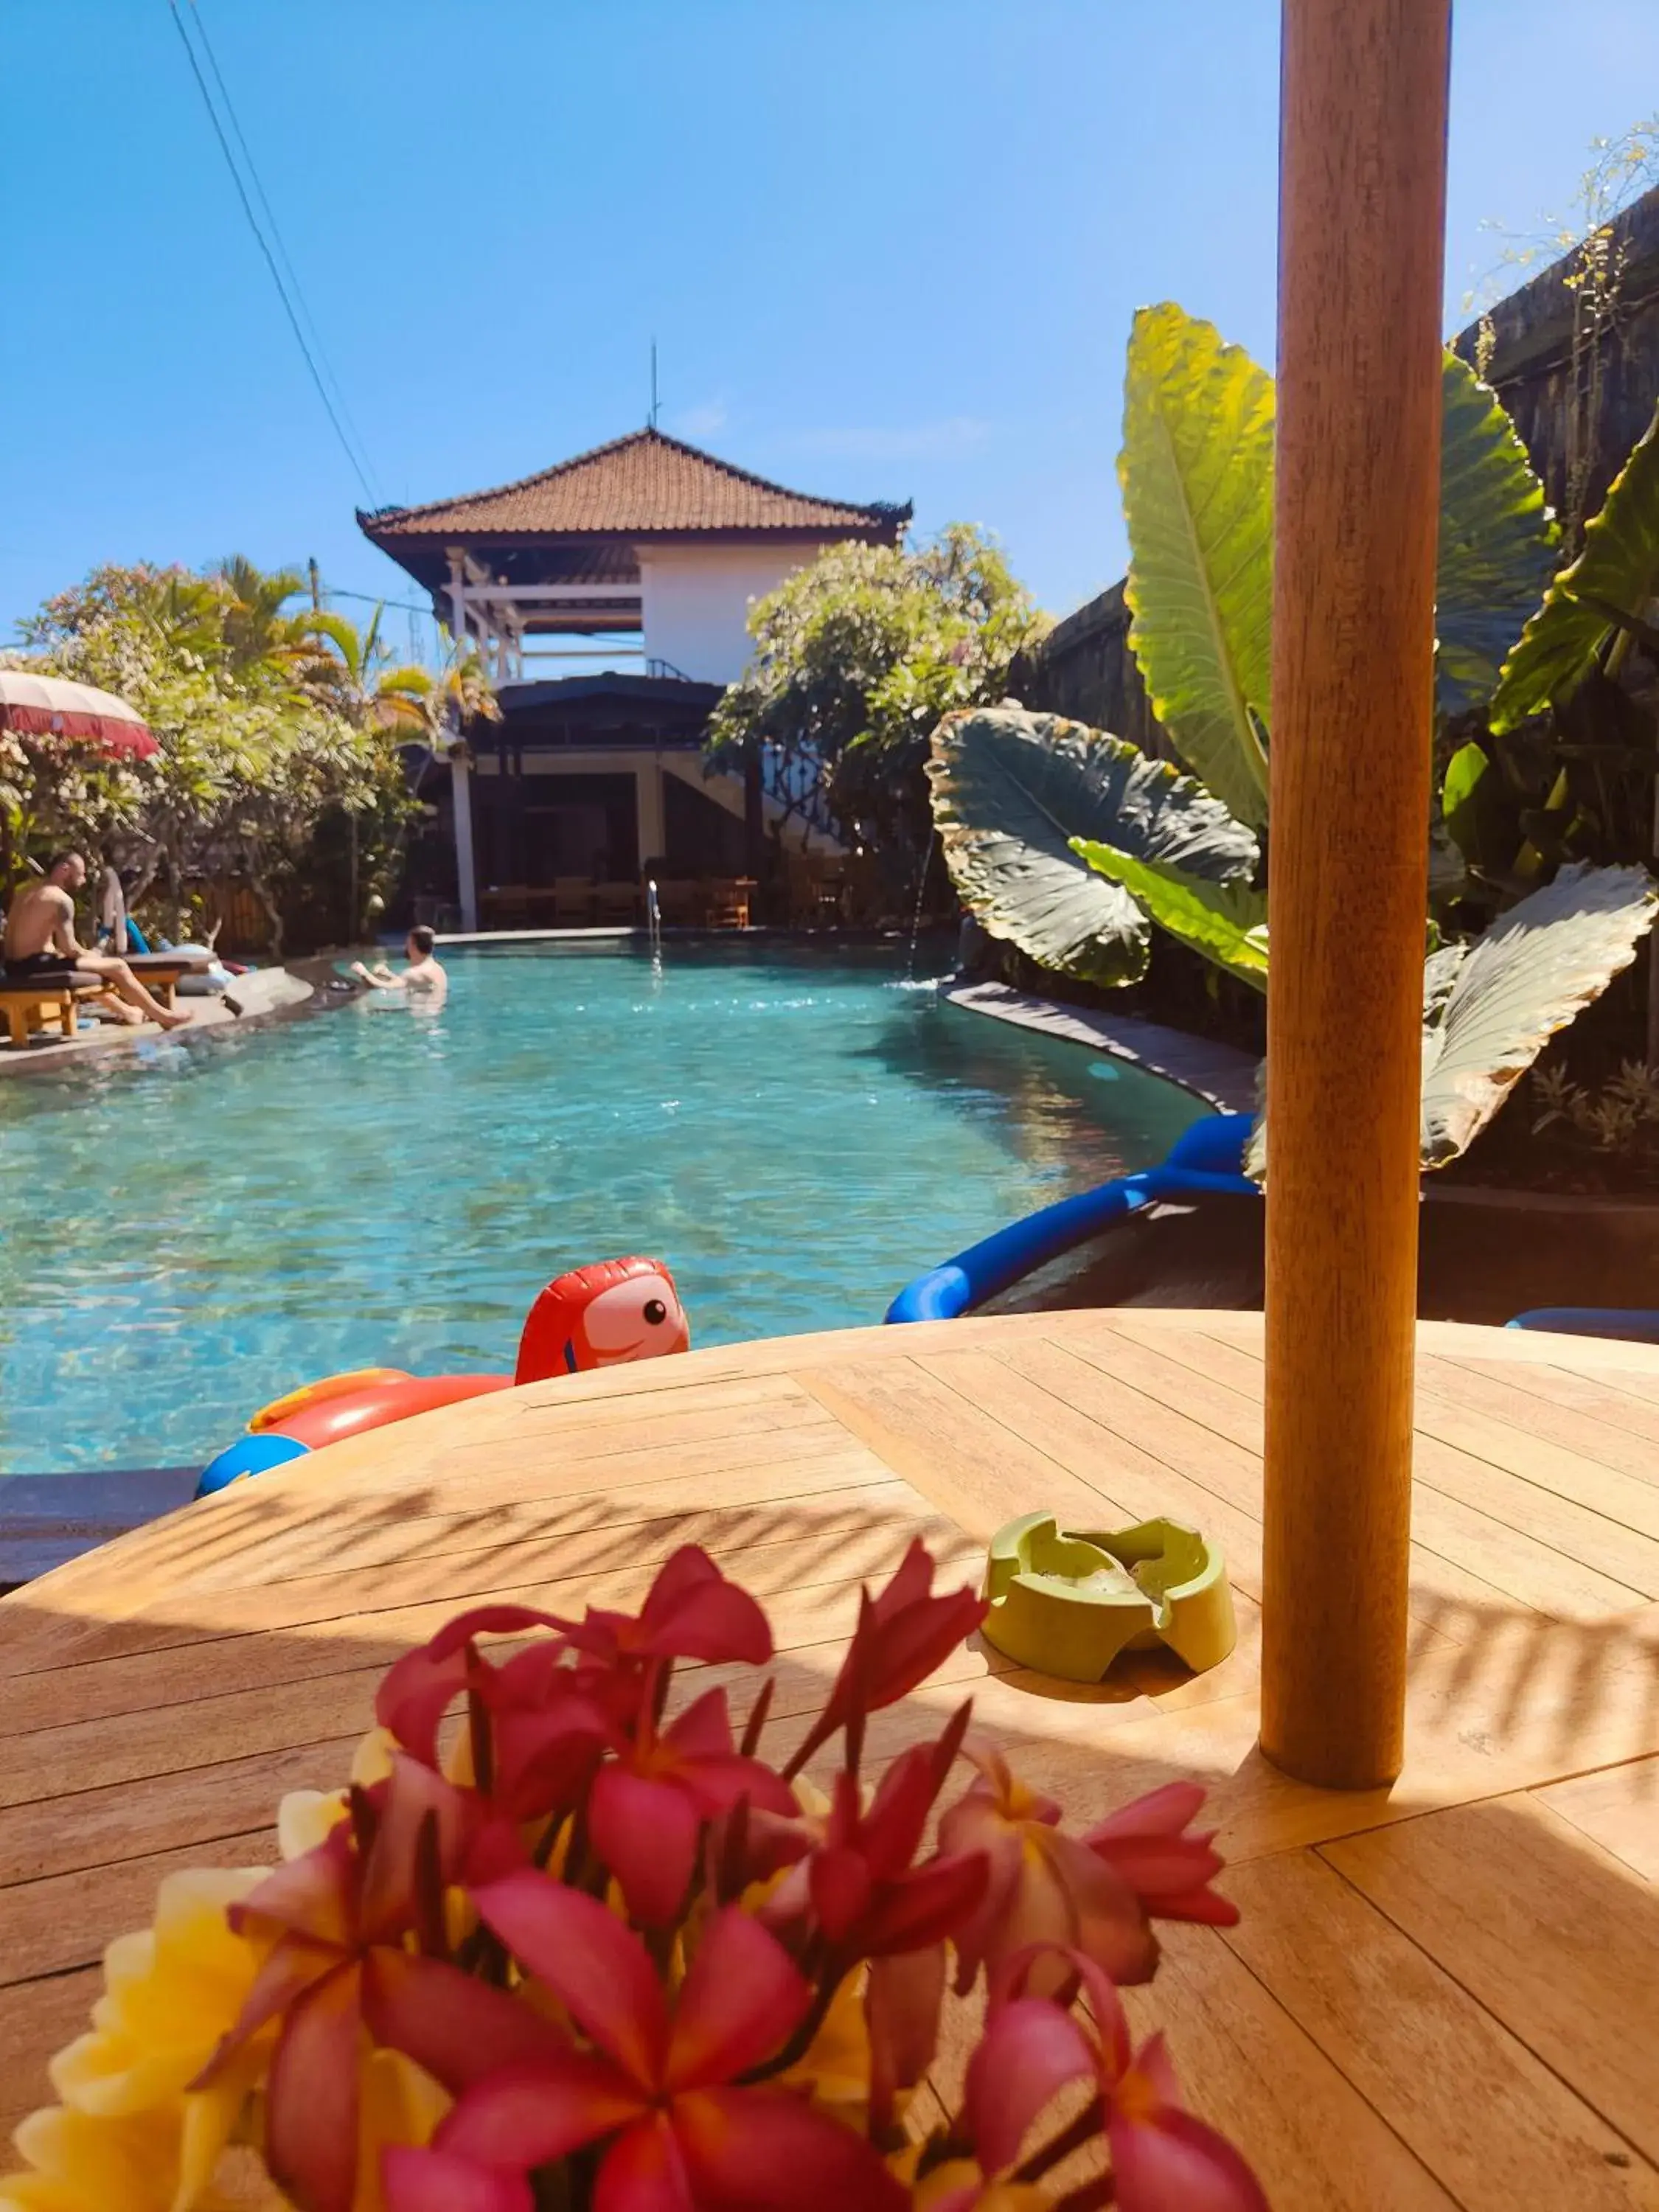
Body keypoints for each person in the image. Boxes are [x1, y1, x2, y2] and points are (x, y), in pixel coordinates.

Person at [3, 852, 191, 1030]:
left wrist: (86, 958)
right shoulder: (61, 900)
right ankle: (164, 1017)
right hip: (31, 966)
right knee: (118, 967)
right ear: (64, 869)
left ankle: (127, 1011)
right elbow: (69, 949)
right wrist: (91, 954)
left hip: (12, 964)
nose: (83, 880)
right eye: (81, 874)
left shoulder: (27, 892)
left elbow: (37, 941)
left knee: (90, 966)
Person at [351, 925, 448, 1002]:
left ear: (413, 945)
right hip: (433, 1011)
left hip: (421, 1015)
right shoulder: (438, 969)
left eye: (407, 943)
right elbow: (411, 983)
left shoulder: (413, 973)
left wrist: (363, 972)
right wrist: (389, 975)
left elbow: (388, 987)